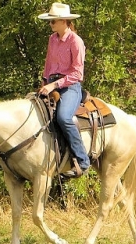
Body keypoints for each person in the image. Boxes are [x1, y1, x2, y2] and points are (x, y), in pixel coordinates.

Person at [38, 2, 90, 178]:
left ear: (64, 21)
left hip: (70, 87)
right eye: (50, 21)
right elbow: (48, 64)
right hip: (50, 84)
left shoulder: (76, 41)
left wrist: (54, 85)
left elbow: (77, 73)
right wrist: (45, 82)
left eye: (53, 21)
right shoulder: (52, 39)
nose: (51, 24)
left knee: (64, 117)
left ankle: (82, 161)